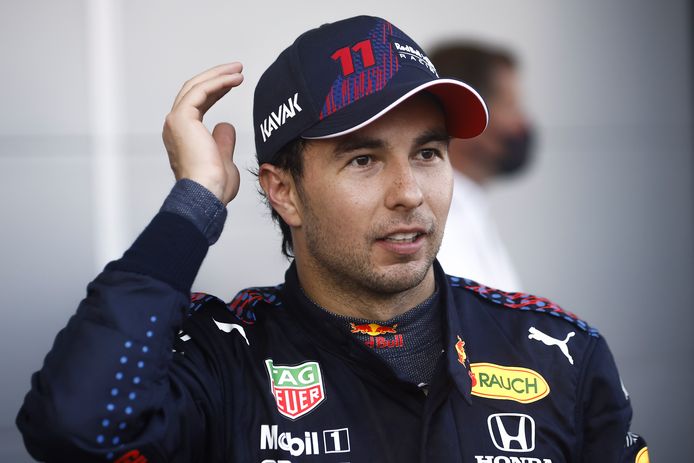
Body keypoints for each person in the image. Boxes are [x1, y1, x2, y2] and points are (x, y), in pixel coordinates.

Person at [17, 15, 648, 463]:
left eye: (428, 153)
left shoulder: (561, 354)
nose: (409, 192)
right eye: (363, 160)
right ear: (283, 190)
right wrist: (194, 204)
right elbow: (76, 430)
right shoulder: (224, 358)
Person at [430, 42, 533, 291]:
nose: (522, 123)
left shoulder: (471, 208)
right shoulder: (435, 224)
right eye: (510, 106)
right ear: (468, 116)